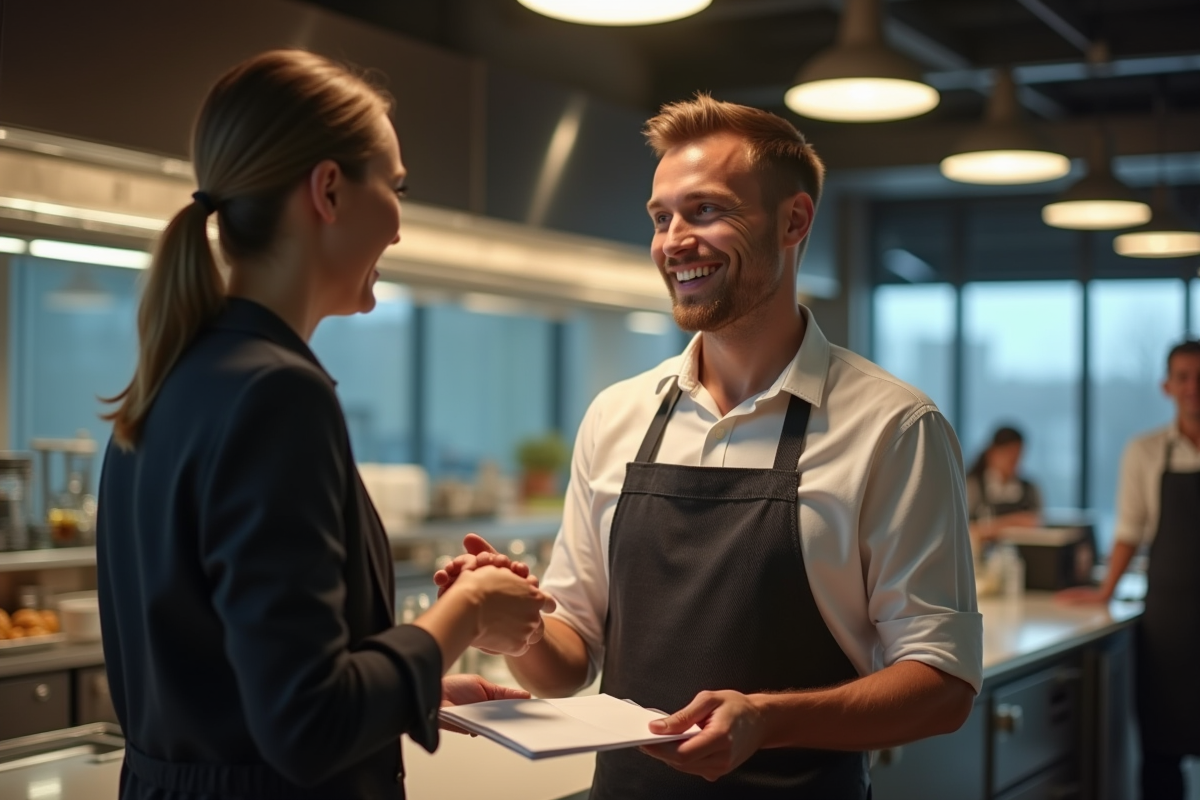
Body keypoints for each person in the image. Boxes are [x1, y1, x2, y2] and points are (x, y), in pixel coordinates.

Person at [437, 95, 980, 798]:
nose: (672, 241)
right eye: (661, 218)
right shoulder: (617, 415)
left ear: (794, 221)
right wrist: (516, 629)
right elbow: (571, 662)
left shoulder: (893, 427)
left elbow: (943, 686)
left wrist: (766, 719)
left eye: (704, 212)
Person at [96, 50, 553, 800]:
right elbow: (308, 728)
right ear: (330, 191)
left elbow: (239, 690)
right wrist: (463, 612)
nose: (401, 229)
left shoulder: (173, 376)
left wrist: (421, 684)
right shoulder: (277, 395)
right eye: (397, 187)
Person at [1059, 339, 1200, 800]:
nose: (1193, 388)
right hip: (1170, 622)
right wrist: (1104, 591)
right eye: (1183, 377)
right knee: (1162, 750)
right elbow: (1131, 530)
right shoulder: (1145, 451)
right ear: (1167, 386)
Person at [965, 426, 1043, 546]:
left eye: (1018, 456)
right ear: (992, 453)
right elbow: (967, 530)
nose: (1014, 462)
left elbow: (1034, 523)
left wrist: (988, 529)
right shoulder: (972, 486)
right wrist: (1015, 521)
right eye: (1009, 455)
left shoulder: (1029, 489)